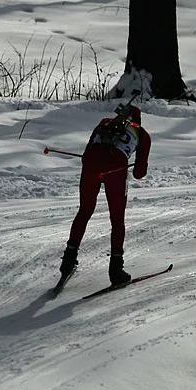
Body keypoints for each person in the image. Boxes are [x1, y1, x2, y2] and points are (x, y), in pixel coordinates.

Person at [60, 104, 151, 285]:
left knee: (85, 211)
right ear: (138, 120)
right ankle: (116, 271)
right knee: (117, 220)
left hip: (91, 164)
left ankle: (68, 262)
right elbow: (139, 173)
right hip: (115, 168)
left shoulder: (104, 122)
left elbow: (86, 154)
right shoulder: (142, 134)